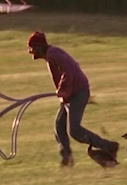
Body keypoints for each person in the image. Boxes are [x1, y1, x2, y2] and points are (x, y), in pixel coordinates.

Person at [27, 31, 119, 167]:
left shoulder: (53, 54)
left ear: (39, 46)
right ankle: (67, 159)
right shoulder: (51, 54)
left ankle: (109, 146)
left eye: (32, 47)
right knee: (59, 125)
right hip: (71, 94)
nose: (31, 51)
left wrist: (62, 89)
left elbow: (68, 72)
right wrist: (63, 94)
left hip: (77, 93)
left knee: (74, 130)